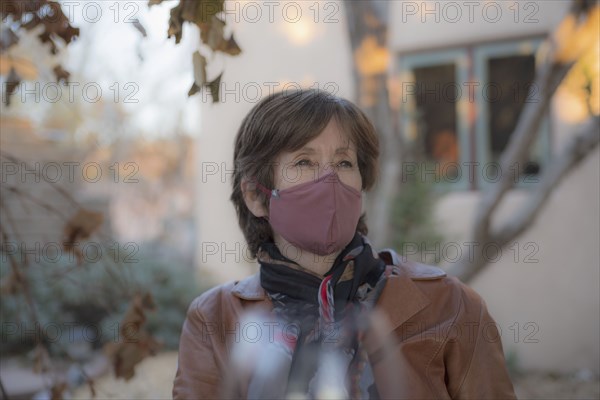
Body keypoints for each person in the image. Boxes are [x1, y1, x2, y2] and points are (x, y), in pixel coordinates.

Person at [173, 89, 517, 399]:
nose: (330, 179)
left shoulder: (449, 305)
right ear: (255, 196)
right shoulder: (214, 319)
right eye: (304, 162)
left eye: (343, 162)